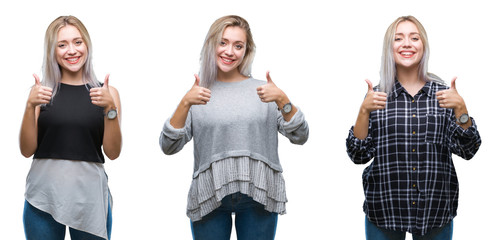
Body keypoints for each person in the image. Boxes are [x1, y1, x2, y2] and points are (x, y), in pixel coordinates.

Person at [159, 15, 308, 240]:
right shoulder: (198, 94)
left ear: (246, 51)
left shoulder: (264, 91)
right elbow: (168, 146)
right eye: (223, 42)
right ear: (211, 44)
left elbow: (300, 135)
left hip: (257, 195)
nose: (230, 52)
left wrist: (283, 100)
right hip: (210, 195)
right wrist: (185, 102)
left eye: (238, 46)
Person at [346, 16, 481, 239]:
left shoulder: (444, 95)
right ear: (390, 48)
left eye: (414, 37)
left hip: (435, 212)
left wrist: (461, 110)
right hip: (384, 210)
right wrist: (363, 111)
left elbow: (468, 150)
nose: (407, 43)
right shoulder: (377, 96)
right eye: (398, 38)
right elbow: (358, 155)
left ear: (423, 46)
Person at [19, 16, 121, 240]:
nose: (71, 50)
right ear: (52, 51)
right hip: (43, 195)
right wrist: (30, 105)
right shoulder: (41, 92)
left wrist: (110, 109)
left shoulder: (107, 93)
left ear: (87, 44)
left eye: (77, 42)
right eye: (62, 44)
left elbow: (113, 153)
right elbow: (26, 150)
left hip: (90, 197)